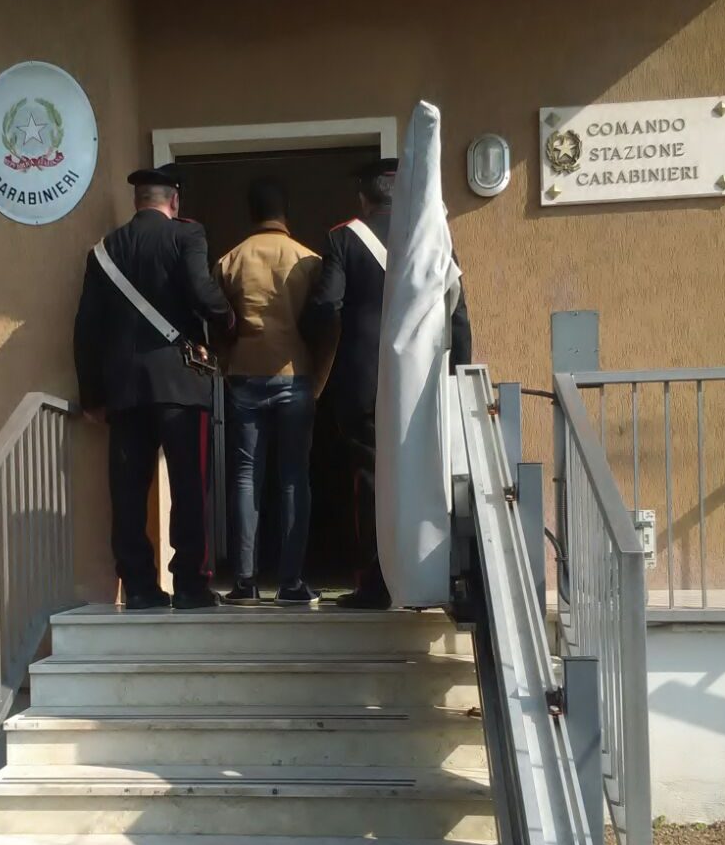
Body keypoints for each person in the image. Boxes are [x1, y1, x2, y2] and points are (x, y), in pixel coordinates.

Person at [301, 157, 472, 609]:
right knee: (426, 475)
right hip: (423, 381)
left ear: (364, 197)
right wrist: (459, 375)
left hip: (365, 380)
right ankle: (428, 575)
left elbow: (325, 305)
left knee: (370, 479)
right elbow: (457, 311)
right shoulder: (433, 236)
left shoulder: (344, 237)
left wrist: (311, 342)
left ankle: (375, 583)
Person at [73, 165, 236, 610]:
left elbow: (86, 328)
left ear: (137, 202)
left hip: (125, 390)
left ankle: (140, 587)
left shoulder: (105, 250)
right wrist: (229, 321)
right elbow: (202, 291)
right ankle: (190, 585)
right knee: (189, 487)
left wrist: (92, 397)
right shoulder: (187, 235)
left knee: (127, 493)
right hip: (180, 383)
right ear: (174, 201)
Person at [215, 178, 322, 605]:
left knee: (245, 476)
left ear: (251, 213)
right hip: (295, 373)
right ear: (285, 212)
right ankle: (292, 582)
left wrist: (226, 362)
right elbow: (325, 318)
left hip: (244, 372)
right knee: (294, 477)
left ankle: (245, 581)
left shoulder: (230, 260)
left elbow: (216, 319)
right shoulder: (307, 259)